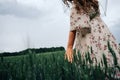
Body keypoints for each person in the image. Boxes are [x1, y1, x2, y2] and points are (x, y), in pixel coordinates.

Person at [63, 0, 120, 66]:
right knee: (108, 52)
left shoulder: (77, 5)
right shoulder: (93, 1)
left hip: (88, 35)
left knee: (92, 58)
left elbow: (73, 27)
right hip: (101, 30)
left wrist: (69, 47)